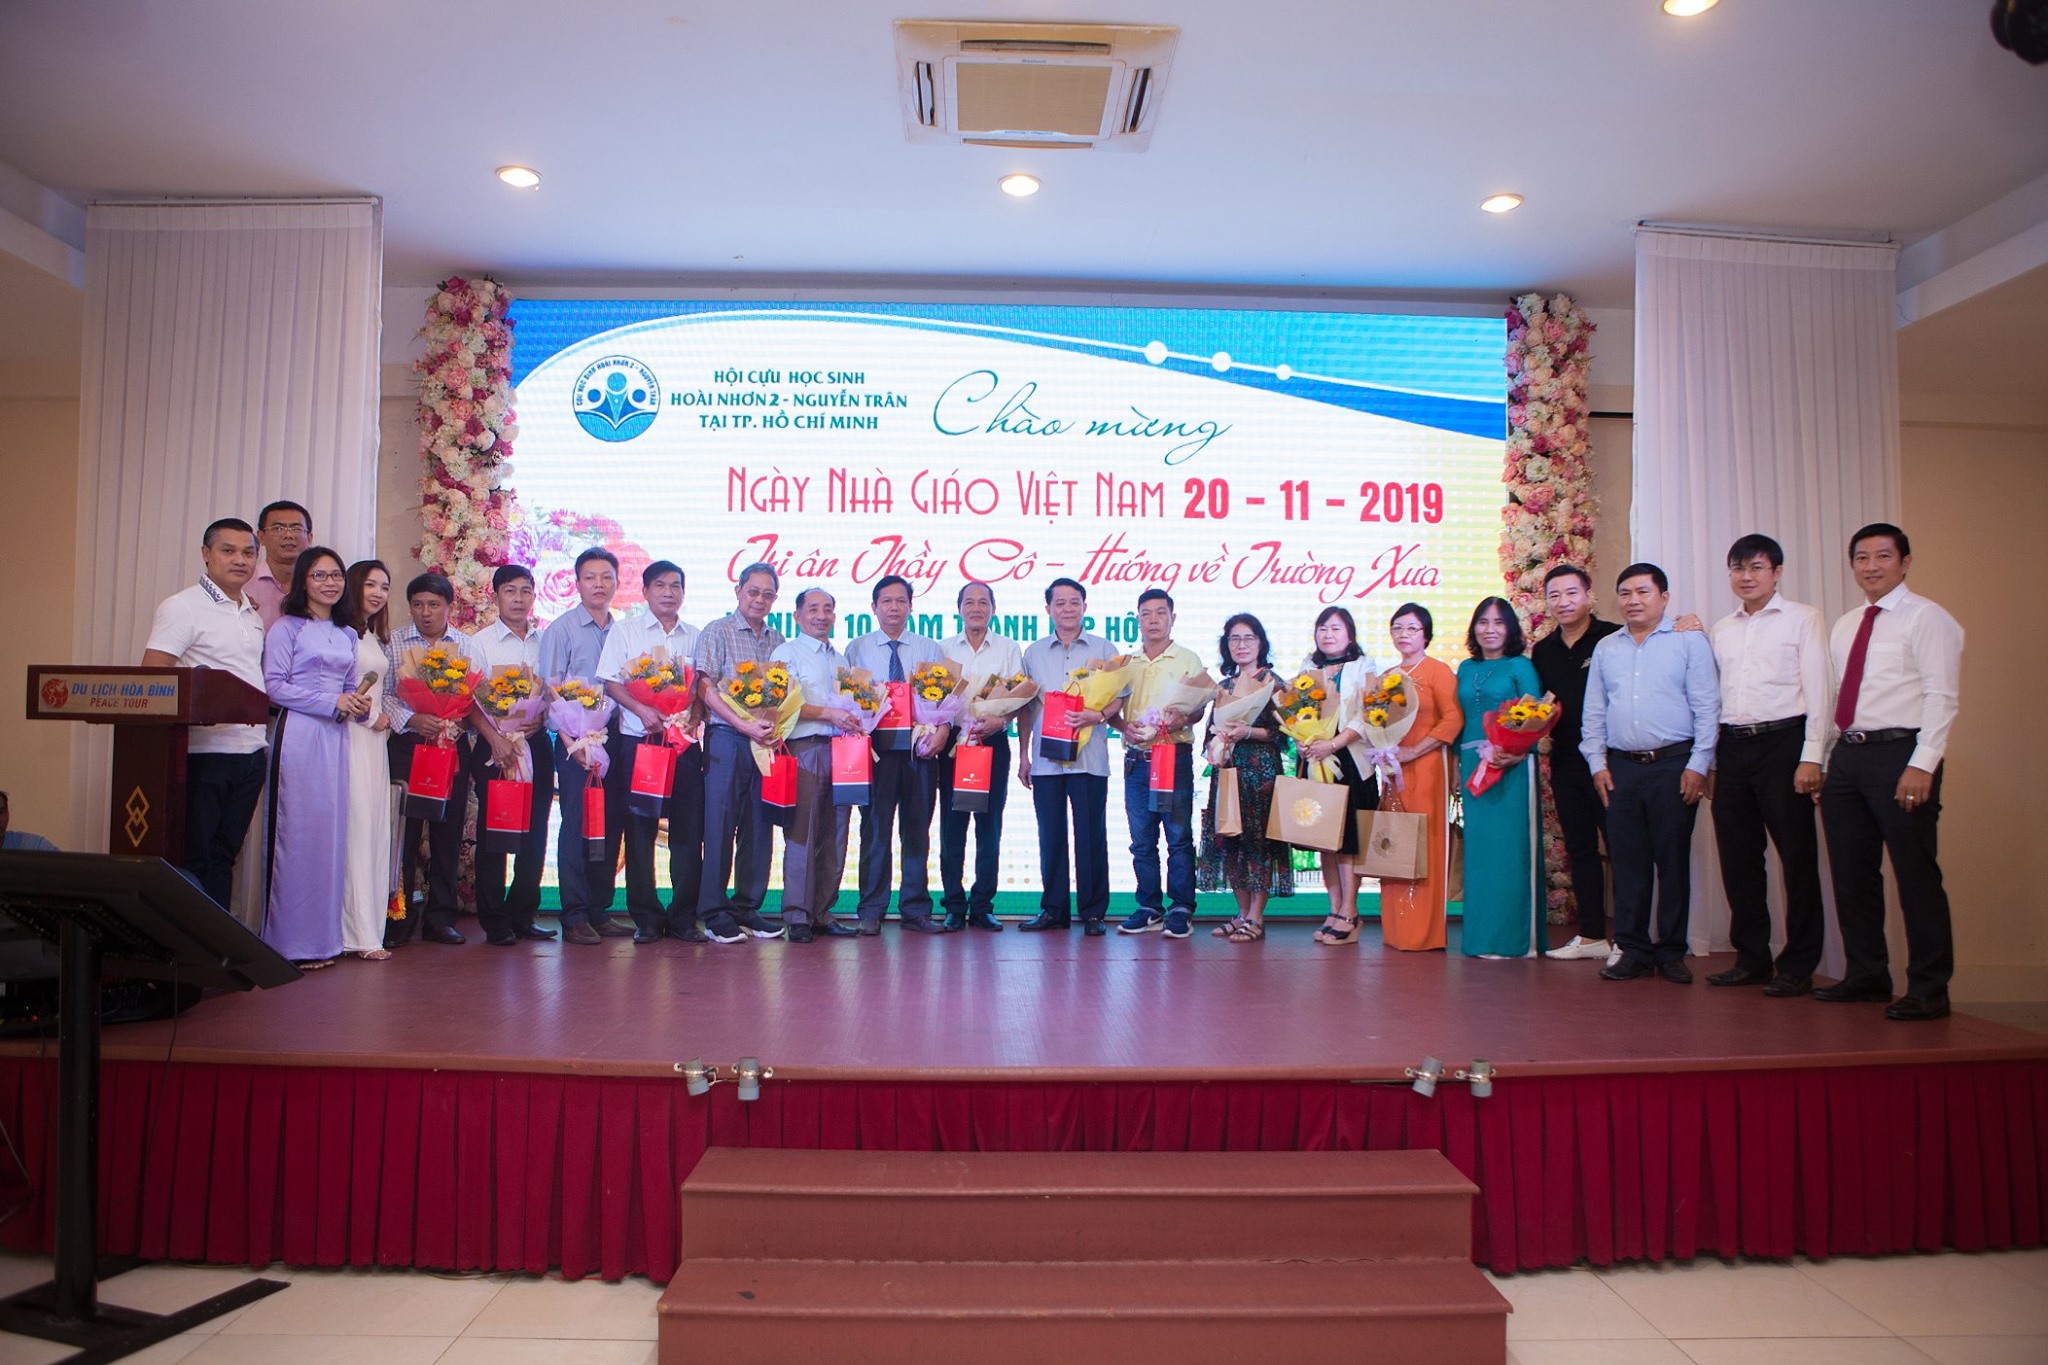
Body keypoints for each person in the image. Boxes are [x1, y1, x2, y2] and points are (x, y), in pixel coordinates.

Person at [1816, 523, 1964, 1022]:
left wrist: (1923, 764)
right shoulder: (1847, 624)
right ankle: (1866, 975)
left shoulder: (1927, 618)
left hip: (1902, 753)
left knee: (1915, 874)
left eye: (1883, 556)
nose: (1871, 566)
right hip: (1849, 755)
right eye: (1862, 557)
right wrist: (1828, 760)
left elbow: (1942, 696)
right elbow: (1840, 697)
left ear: (1905, 562)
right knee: (1852, 874)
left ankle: (1929, 988)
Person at [1705, 534, 1832, 996]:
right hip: (1732, 747)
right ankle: (1751, 958)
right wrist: (1712, 762)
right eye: (1738, 568)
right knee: (1738, 859)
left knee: (1797, 859)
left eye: (1756, 567)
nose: (1746, 576)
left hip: (1785, 743)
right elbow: (1713, 698)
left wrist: (1813, 755)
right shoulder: (1721, 629)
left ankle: (1798, 964)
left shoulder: (1803, 618)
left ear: (1777, 572)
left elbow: (1820, 689)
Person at [1582, 563, 1720, 985]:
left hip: (1674, 766)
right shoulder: (1607, 648)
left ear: (1664, 597)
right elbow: (1594, 712)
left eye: (1643, 592)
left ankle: (1671, 951)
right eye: (1625, 593)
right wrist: (1598, 765)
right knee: (1627, 863)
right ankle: (1633, 949)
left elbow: (1707, 707)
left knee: (1672, 861)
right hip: (1621, 768)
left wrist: (1699, 765)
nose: (1633, 601)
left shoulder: (1688, 641)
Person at [140, 516, 269, 910]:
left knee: (224, 855)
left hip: (251, 750)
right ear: (206, 554)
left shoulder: (251, 612)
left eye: (248, 553)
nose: (240, 560)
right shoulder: (182, 607)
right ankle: (189, 943)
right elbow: (154, 677)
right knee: (194, 856)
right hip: (204, 751)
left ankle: (217, 942)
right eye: (228, 551)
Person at [262, 546, 364, 968]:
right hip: (299, 736)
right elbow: (273, 687)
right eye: (319, 575)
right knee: (296, 834)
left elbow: (352, 687)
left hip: (335, 738)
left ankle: (323, 941)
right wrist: (329, 701)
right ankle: (288, 942)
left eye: (336, 575)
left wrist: (357, 705)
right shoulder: (286, 628)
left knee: (329, 836)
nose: (329, 583)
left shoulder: (348, 634)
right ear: (303, 580)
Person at [599, 560, 706, 945]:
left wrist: (694, 716)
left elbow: (702, 689)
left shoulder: (695, 636)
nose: (668, 592)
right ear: (645, 592)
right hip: (639, 742)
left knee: (688, 832)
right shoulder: (625, 631)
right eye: (660, 585)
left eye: (675, 586)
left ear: (683, 593)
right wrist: (643, 709)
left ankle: (683, 917)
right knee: (640, 830)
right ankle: (646, 917)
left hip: (683, 746)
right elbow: (612, 683)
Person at [845, 575, 950, 934]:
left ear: (910, 606)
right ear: (873, 607)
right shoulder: (857, 648)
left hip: (920, 751)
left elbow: (943, 701)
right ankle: (871, 910)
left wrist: (943, 729)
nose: (894, 607)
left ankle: (916, 909)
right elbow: (849, 700)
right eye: (886, 601)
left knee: (917, 831)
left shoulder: (929, 649)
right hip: (876, 753)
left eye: (900, 601)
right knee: (875, 830)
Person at [540, 547, 634, 946]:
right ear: (577, 583)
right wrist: (572, 742)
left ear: (617, 583)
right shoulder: (561, 630)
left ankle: (599, 909)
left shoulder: (623, 631)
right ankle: (575, 914)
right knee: (578, 825)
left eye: (606, 577)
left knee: (610, 824)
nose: (599, 584)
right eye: (591, 577)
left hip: (616, 738)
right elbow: (549, 693)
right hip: (575, 742)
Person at [693, 561, 789, 944]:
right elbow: (704, 686)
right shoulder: (717, 631)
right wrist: (742, 723)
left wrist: (774, 727)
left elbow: (786, 693)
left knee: (759, 825)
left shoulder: (778, 639)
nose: (760, 600)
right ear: (738, 591)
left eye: (768, 594)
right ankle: (714, 912)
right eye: (753, 591)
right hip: (727, 739)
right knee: (720, 825)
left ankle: (747, 907)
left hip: (764, 742)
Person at [1532, 565, 1622, 963]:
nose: (1563, 602)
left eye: (1571, 593)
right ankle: (1591, 936)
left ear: (1588, 595)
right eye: (1554, 595)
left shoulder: (1613, 637)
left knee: (1621, 847)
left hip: (1610, 760)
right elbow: (1542, 706)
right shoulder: (1543, 650)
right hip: (1567, 759)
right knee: (1581, 849)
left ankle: (1629, 939)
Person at [1017, 578, 1114, 936]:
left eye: (1074, 602)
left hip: (1089, 758)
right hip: (1046, 761)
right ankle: (1053, 910)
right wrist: (1023, 755)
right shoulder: (1033, 653)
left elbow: (1119, 696)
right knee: (1051, 836)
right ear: (1048, 609)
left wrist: (1098, 716)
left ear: (1085, 607)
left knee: (1090, 836)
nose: (1068, 609)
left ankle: (1093, 913)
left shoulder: (1104, 648)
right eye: (1060, 603)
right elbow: (1026, 707)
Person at [383, 572, 475, 947]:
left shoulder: (466, 644)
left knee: (447, 834)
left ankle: (440, 918)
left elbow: (478, 698)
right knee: (403, 836)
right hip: (407, 746)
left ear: (449, 607)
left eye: (434, 605)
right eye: (418, 604)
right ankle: (398, 916)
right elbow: (385, 695)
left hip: (450, 747)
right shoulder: (393, 642)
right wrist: (413, 718)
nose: (426, 612)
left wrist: (454, 719)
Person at [468, 564, 558, 947]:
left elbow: (556, 692)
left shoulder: (546, 641)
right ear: (496, 596)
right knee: (495, 832)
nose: (519, 599)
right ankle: (495, 921)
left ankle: (523, 914)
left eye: (526, 591)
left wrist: (544, 717)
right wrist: (494, 738)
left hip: (536, 745)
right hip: (496, 747)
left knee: (535, 832)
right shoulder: (479, 643)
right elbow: (468, 701)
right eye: (510, 591)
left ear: (534, 596)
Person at [1112, 589, 1209, 940]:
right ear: (1137, 619)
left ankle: (1181, 908)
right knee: (1141, 840)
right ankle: (1149, 907)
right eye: (1146, 614)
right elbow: (1110, 709)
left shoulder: (1187, 659)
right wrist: (1123, 726)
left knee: (1178, 837)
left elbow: (1199, 709)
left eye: (1160, 613)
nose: (1153, 620)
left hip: (1172, 757)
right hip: (1137, 760)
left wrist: (1184, 717)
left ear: (1172, 618)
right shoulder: (1126, 663)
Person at [771, 587, 863, 942]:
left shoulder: (841, 659)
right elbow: (781, 703)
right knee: (803, 833)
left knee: (836, 832)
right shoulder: (787, 653)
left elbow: (854, 703)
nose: (821, 616)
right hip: (804, 748)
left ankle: (823, 912)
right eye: (813, 609)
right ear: (797, 616)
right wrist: (828, 714)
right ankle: (797, 915)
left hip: (842, 751)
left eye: (827, 609)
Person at [1455, 598, 1545, 959]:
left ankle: (1513, 942)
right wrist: (1454, 765)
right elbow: (1461, 720)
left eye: (1498, 622)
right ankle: (1481, 939)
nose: (1489, 629)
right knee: (1479, 854)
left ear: (1510, 629)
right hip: (1471, 767)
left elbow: (1536, 714)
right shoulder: (1465, 668)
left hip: (1511, 767)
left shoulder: (1520, 666)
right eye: (1483, 622)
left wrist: (1518, 752)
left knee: (1510, 852)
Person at [1197, 613, 1292, 943]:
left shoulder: (1273, 683)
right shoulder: (1223, 686)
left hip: (1261, 773)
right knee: (1230, 840)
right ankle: (1241, 913)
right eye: (1234, 639)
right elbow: (1212, 728)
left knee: (1259, 843)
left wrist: (1249, 731)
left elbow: (1286, 734)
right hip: (1228, 773)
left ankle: (1256, 917)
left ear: (1261, 643)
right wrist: (1216, 744)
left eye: (1248, 638)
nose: (1241, 644)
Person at [1376, 604, 1464, 952]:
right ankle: (1397, 929)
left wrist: (1414, 751)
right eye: (1397, 628)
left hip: (1428, 767)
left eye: (1412, 628)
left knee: (1426, 843)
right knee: (1394, 843)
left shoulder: (1438, 671)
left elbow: (1453, 719)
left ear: (1426, 634)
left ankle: (1424, 933)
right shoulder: (1388, 676)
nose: (1404, 634)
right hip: (1394, 770)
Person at [939, 580, 1024, 932]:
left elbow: (1020, 694)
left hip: (992, 741)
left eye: (983, 602)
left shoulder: (1008, 648)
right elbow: (932, 698)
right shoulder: (943, 649)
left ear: (993, 608)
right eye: (969, 602)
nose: (976, 608)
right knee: (952, 826)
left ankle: (982, 906)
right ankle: (953, 905)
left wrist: (1001, 720)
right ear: (959, 608)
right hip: (953, 744)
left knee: (990, 827)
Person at [1297, 606, 1383, 946]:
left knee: (1348, 840)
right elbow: (1297, 710)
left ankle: (1351, 911)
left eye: (1335, 628)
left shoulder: (1364, 666)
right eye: (1322, 628)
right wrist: (1302, 739)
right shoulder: (1309, 666)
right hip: (1316, 760)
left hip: (1350, 759)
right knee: (1324, 838)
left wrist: (1334, 743)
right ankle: (1334, 909)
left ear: (1349, 633)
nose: (1328, 634)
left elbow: (1368, 713)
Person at [337, 561, 396, 961]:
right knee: (356, 828)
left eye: (384, 586)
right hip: (352, 737)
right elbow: (337, 688)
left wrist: (383, 719)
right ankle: (356, 933)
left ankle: (371, 928)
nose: (378, 593)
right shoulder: (340, 633)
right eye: (370, 584)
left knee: (375, 830)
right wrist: (371, 717)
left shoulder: (371, 634)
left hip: (376, 743)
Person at [247, 500, 311, 628]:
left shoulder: (321, 586)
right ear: (261, 537)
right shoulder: (244, 582)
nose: (288, 535)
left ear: (310, 537)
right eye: (278, 528)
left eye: (296, 529)